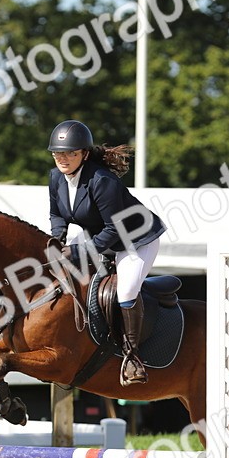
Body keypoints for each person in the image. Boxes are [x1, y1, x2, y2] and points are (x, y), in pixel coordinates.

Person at [46, 119, 165, 385]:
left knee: (126, 291)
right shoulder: (56, 177)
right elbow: (57, 215)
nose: (62, 158)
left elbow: (114, 230)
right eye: (57, 153)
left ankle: (132, 357)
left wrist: (78, 252)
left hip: (136, 239)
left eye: (69, 153)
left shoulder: (102, 181)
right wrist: (57, 239)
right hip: (100, 234)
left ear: (84, 154)